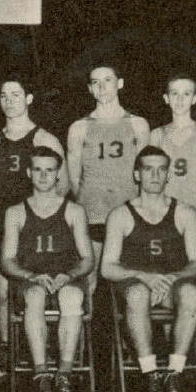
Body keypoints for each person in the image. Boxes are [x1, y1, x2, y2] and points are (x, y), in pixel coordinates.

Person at [101, 146, 196, 392]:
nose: (155, 175)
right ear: (137, 175)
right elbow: (108, 267)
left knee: (192, 292)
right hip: (136, 285)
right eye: (148, 169)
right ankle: (150, 373)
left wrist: (172, 279)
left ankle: (174, 372)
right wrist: (145, 277)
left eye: (161, 170)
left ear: (168, 175)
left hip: (173, 285)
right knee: (137, 293)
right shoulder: (120, 215)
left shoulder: (185, 212)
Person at [0, 73, 68, 379]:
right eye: (4, 95)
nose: (9, 101)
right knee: (4, 289)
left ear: (29, 98)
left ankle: (49, 350)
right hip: (5, 227)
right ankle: (8, 348)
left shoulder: (45, 139)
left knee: (44, 287)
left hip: (40, 226)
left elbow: (65, 184)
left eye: (16, 95)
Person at [0, 146, 94, 392]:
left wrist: (69, 275)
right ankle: (41, 374)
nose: (43, 176)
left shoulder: (74, 211)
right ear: (29, 173)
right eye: (38, 170)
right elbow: (6, 260)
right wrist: (31, 275)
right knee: (35, 296)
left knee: (73, 297)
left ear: (57, 175)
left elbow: (88, 258)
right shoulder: (15, 212)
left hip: (66, 276)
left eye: (49, 170)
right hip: (31, 278)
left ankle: (64, 373)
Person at [67, 64, 150, 295]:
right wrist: (90, 199)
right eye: (95, 82)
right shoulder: (79, 127)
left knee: (135, 282)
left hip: (128, 213)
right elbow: (74, 177)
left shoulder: (138, 124)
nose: (102, 87)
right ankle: (88, 329)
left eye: (107, 80)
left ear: (120, 83)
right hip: (94, 212)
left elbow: (145, 170)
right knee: (88, 281)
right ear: (90, 89)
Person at [150, 74, 196, 234]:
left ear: (194, 98)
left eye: (186, 94)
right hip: (165, 207)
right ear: (166, 98)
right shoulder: (156, 134)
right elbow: (151, 179)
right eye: (175, 93)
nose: (180, 99)